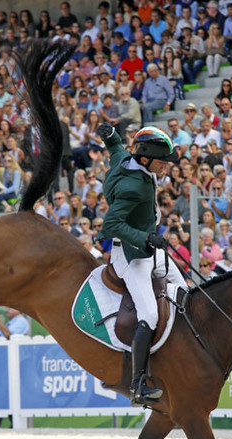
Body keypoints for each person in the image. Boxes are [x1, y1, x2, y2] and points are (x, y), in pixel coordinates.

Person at [96, 122, 188, 405]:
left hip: (150, 246)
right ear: (146, 157)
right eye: (163, 162)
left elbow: (116, 149)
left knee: (184, 293)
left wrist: (110, 135)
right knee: (148, 314)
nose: (167, 167)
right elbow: (111, 224)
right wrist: (144, 236)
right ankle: (137, 385)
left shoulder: (130, 160)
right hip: (132, 256)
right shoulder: (132, 186)